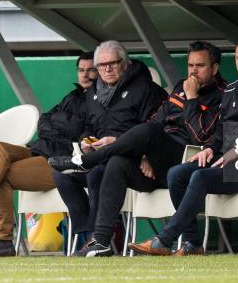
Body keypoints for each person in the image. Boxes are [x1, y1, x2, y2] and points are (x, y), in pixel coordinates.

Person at [53, 41, 226, 256]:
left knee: (145, 132)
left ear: (214, 68)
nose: (193, 71)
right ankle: (101, 242)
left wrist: (192, 98)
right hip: (156, 163)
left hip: (186, 161)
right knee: (117, 163)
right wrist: (144, 153)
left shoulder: (223, 94)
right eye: (190, 65)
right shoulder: (181, 86)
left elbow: (200, 135)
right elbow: (157, 120)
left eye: (199, 66)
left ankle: (87, 161)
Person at [129, 38, 238, 256]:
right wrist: (208, 147)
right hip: (223, 161)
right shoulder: (232, 90)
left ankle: (164, 239)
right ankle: (193, 243)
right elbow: (220, 131)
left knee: (200, 177)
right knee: (177, 174)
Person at [0, 52, 97, 256]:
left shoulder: (98, 100)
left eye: (91, 70)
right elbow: (44, 121)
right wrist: (61, 126)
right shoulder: (73, 97)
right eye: (81, 70)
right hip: (39, 149)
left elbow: (79, 129)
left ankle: (2, 241)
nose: (85, 75)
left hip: (61, 160)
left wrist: (59, 126)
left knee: (0, 175)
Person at [49, 40, 167, 255]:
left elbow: (155, 129)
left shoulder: (145, 89)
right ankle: (85, 235)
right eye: (102, 66)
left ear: (126, 64)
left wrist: (125, 145)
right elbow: (88, 126)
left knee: (97, 172)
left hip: (131, 161)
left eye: (113, 63)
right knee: (61, 175)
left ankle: (98, 237)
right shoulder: (93, 93)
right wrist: (87, 141)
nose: (107, 69)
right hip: (99, 156)